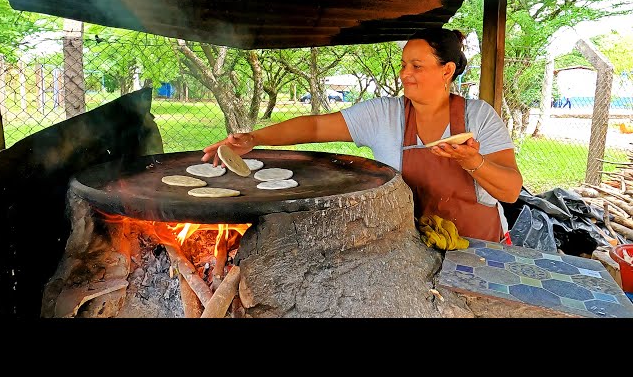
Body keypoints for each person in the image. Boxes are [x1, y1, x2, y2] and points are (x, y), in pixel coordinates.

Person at [201, 28, 523, 242]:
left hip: (480, 247)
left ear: (447, 70)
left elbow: (509, 192)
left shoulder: (478, 116)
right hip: (407, 244)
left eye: (416, 66)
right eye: (403, 65)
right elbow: (314, 126)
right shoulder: (383, 114)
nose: (404, 74)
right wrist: (255, 138)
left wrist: (473, 161)